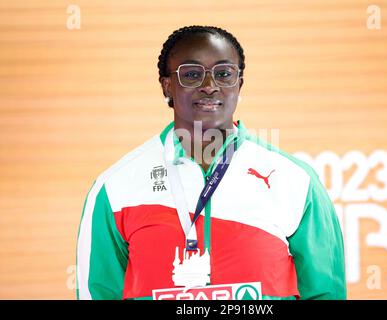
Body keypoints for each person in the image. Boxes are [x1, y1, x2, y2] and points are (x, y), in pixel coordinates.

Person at [76, 25, 346, 300]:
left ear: (239, 84)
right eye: (192, 75)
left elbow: (325, 292)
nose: (209, 86)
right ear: (167, 85)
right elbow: (99, 292)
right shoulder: (115, 186)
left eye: (224, 74)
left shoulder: (294, 179)